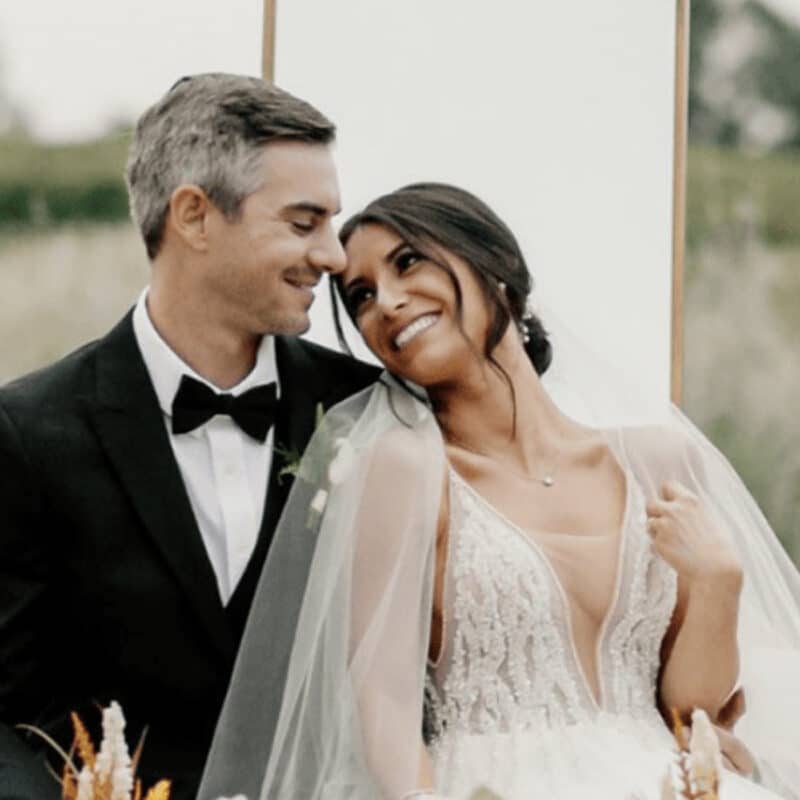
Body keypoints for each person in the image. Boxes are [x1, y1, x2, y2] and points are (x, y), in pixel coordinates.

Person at [199, 183, 800, 800]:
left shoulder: (660, 460)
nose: (388, 303)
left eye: (408, 262)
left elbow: (688, 708)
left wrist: (719, 582)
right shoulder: (404, 469)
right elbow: (382, 704)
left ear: (497, 267)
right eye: (362, 297)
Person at [0, 73, 379, 800]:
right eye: (304, 223)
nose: (334, 256)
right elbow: (8, 711)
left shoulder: (365, 411)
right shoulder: (26, 432)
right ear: (196, 216)